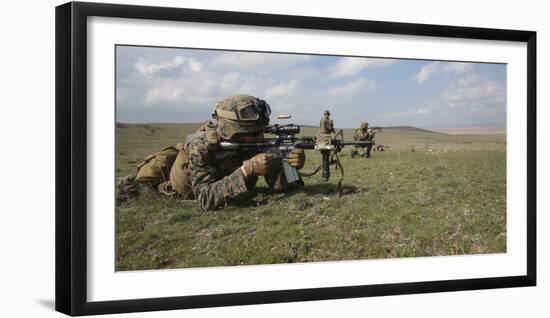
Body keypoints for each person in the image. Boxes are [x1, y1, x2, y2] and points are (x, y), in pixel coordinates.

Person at [166, 95, 306, 211]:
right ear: (232, 130)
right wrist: (246, 170)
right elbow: (205, 200)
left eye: (261, 130)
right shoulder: (201, 147)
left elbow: (281, 186)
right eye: (253, 132)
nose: (259, 136)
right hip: (178, 191)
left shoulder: (256, 142)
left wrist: (290, 166)